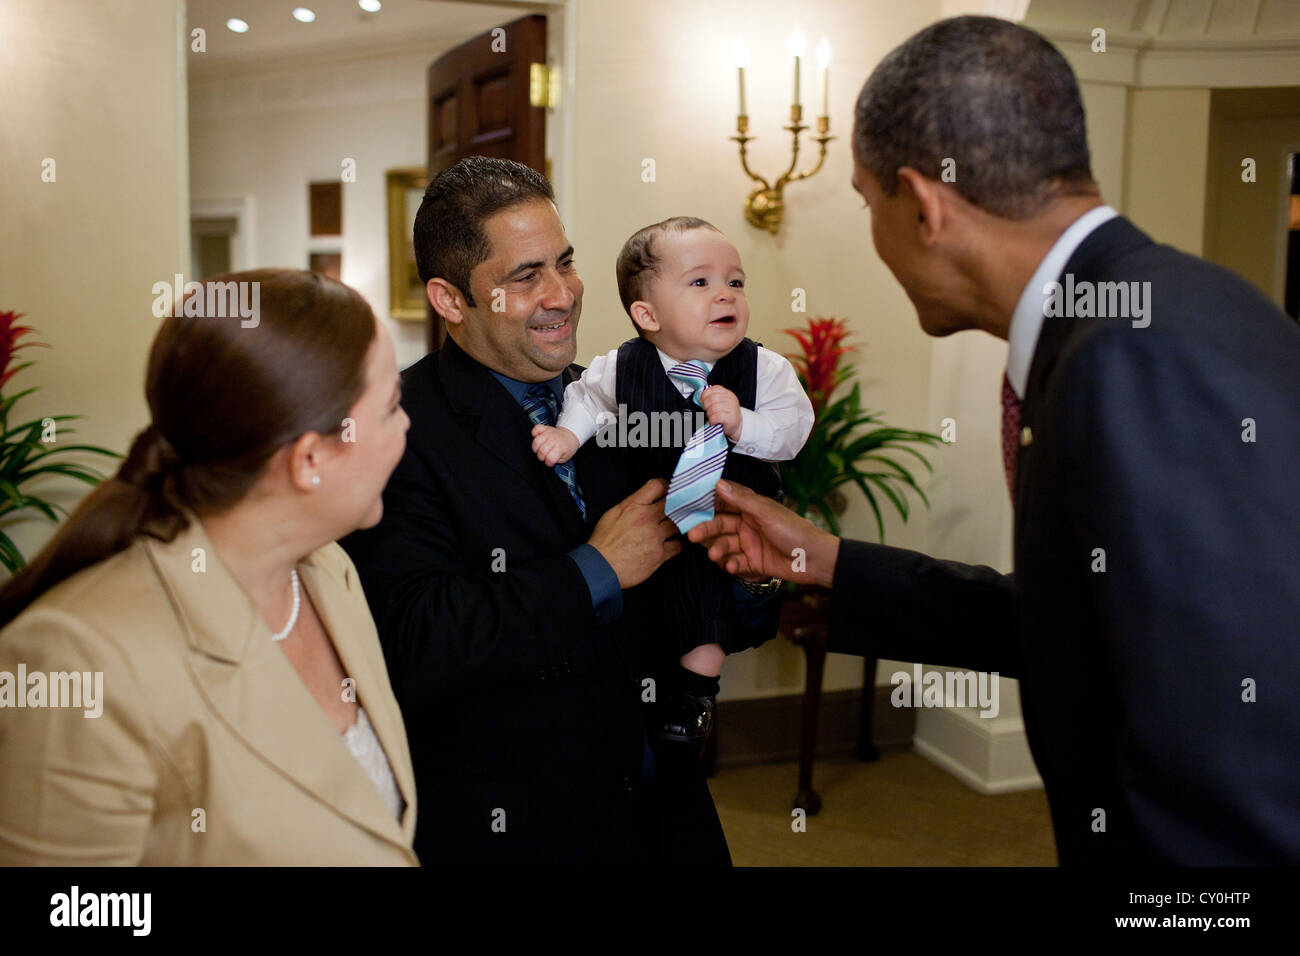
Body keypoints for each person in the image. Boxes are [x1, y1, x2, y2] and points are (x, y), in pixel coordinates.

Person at [688, 16, 1300, 865]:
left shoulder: (1138, 357)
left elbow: (1238, 752)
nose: (875, 238)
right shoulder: (1135, 316)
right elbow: (1076, 622)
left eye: (870, 203)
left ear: (927, 205)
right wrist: (830, 562)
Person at [340, 157, 783, 866]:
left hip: (661, 804)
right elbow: (417, 641)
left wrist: (751, 576)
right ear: (451, 301)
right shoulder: (399, 430)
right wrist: (596, 570)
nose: (563, 295)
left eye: (566, 263)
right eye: (525, 276)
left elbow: (701, 607)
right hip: (515, 824)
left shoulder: (627, 396)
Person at [0, 269, 418, 865]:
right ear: (309, 458)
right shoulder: (80, 662)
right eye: (392, 406)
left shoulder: (331, 574)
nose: (406, 425)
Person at [531, 216, 812, 746]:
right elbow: (587, 402)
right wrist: (567, 437)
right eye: (701, 282)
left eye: (735, 281)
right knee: (657, 603)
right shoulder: (621, 367)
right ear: (647, 314)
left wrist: (742, 423)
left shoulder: (764, 370)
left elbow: (793, 431)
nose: (725, 295)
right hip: (657, 522)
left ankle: (696, 694)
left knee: (707, 598)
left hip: (728, 521)